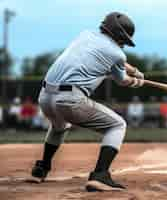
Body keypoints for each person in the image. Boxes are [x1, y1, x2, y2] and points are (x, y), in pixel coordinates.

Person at [28, 12, 145, 192]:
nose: (124, 44)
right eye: (124, 40)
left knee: (59, 127)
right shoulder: (117, 54)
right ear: (119, 35)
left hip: (45, 97)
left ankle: (41, 169)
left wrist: (134, 70)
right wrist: (137, 81)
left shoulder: (85, 35)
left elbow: (114, 62)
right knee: (117, 125)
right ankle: (100, 175)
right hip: (70, 100)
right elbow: (122, 79)